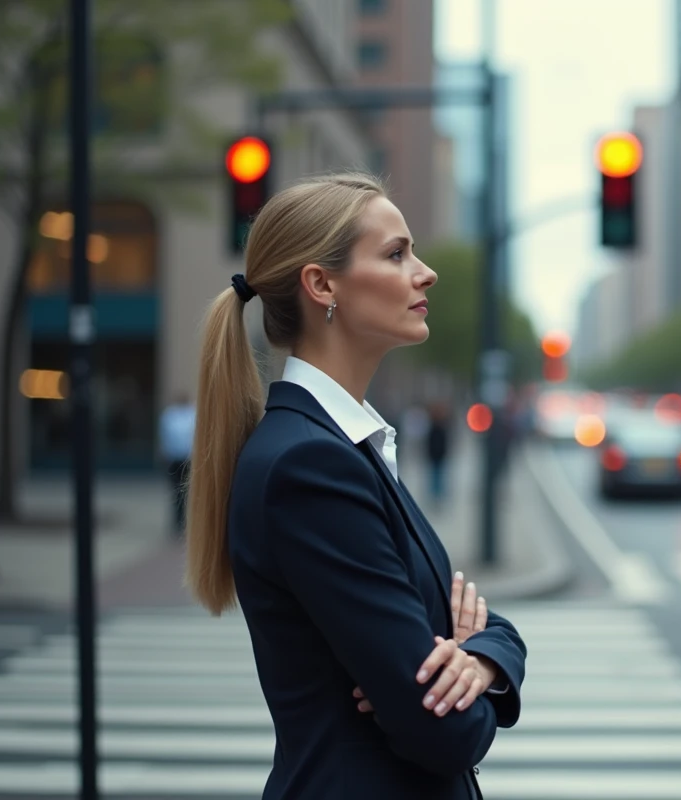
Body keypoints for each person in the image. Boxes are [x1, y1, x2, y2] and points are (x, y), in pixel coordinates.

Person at [183, 173, 526, 800]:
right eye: (396, 254)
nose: (426, 273)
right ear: (322, 285)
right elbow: (444, 731)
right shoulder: (310, 466)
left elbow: (480, 625)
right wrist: (460, 660)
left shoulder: (340, 447)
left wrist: (477, 657)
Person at [158, 392, 195, 533]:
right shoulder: (169, 415)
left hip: (188, 459)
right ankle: (176, 522)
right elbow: (164, 437)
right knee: (175, 491)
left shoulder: (193, 413)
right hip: (174, 459)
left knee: (187, 491)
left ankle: (185, 521)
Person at [426, 402, 451, 503]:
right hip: (436, 455)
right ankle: (436, 495)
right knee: (436, 476)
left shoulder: (438, 428)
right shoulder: (436, 428)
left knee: (438, 476)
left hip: (438, 455)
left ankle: (437, 495)